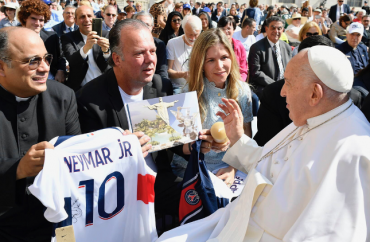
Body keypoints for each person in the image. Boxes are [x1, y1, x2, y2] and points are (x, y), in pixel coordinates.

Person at [157, 45, 370, 242]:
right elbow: (271, 165)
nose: (282, 91)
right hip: (236, 219)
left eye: (288, 82)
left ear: (314, 93)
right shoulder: (313, 117)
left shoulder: (353, 153)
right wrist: (238, 139)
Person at [0, 27, 80, 242]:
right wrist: (17, 169)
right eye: (32, 61)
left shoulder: (63, 97)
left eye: (46, 58)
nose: (45, 68)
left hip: (54, 223)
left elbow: (77, 159)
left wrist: (121, 145)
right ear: (2, 67)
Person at [171, 28, 253, 182]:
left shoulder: (243, 91)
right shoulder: (186, 94)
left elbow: (247, 135)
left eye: (224, 57)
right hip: (191, 170)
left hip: (229, 169)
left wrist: (233, 168)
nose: (220, 66)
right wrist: (198, 144)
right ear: (200, 62)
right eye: (211, 60)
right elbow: (179, 146)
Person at [61, 5, 110, 91]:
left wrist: (106, 52)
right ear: (76, 21)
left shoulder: (106, 35)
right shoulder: (68, 38)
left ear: (94, 18)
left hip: (105, 87)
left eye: (89, 16)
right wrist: (86, 47)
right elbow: (72, 61)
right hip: (81, 90)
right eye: (82, 17)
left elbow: (112, 63)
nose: (87, 20)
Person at [18, 0, 66, 83]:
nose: (37, 23)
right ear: (25, 18)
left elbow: (61, 56)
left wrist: (60, 70)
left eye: (41, 20)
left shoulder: (51, 37)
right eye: (33, 19)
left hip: (49, 80)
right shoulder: (15, 38)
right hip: (23, 81)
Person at [248, 16, 292, 97]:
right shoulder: (256, 47)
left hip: (285, 87)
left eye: (279, 28)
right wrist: (276, 85)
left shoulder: (286, 47)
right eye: (273, 28)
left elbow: (290, 68)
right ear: (266, 28)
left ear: (283, 30)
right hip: (265, 87)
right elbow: (256, 73)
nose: (276, 31)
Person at [166, 15, 201, 93]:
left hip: (198, 86)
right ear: (183, 29)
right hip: (179, 87)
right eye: (190, 35)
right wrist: (183, 75)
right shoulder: (172, 43)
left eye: (196, 35)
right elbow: (168, 71)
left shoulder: (202, 44)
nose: (193, 38)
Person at [133, 11, 170, 85]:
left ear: (152, 27)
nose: (143, 27)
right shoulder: (127, 43)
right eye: (140, 24)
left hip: (151, 83)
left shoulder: (159, 44)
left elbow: (162, 70)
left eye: (147, 25)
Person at [218, 16, 248, 81]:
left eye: (229, 28)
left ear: (233, 30)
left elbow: (243, 70)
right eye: (223, 28)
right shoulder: (214, 46)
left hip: (236, 81)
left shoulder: (239, 46)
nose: (226, 31)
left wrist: (239, 83)